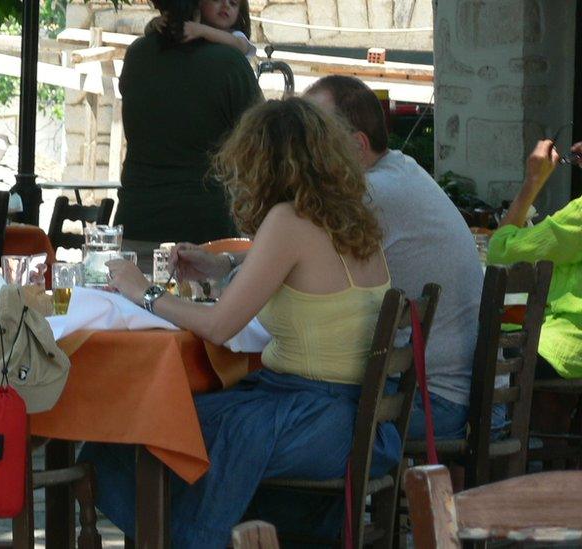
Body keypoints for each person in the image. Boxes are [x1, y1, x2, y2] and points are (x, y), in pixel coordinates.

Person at [83, 98, 401, 548]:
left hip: (315, 419)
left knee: (145, 427)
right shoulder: (348, 216)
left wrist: (142, 291)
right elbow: (296, 276)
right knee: (171, 422)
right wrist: (219, 269)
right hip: (356, 420)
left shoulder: (289, 220)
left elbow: (219, 326)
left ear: (261, 163)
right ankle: (202, 536)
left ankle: (183, 540)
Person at [301, 75, 485, 441]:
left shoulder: (372, 193)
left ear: (357, 146)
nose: (303, 145)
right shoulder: (402, 169)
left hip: (431, 402)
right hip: (454, 394)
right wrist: (228, 263)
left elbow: (294, 268)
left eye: (313, 133)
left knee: (283, 418)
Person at [114, 0, 260, 254]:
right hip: (206, 236)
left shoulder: (137, 53)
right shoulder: (229, 63)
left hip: (137, 225)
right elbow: (264, 139)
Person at [487, 139, 581, 380]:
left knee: (481, 344)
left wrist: (533, 180)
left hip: (564, 346)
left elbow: (501, 250)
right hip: (560, 338)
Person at [179, 0, 256, 58]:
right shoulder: (193, 29)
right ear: (200, 3)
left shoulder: (236, 35)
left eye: (233, 3)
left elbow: (241, 46)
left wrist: (202, 30)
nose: (226, 5)